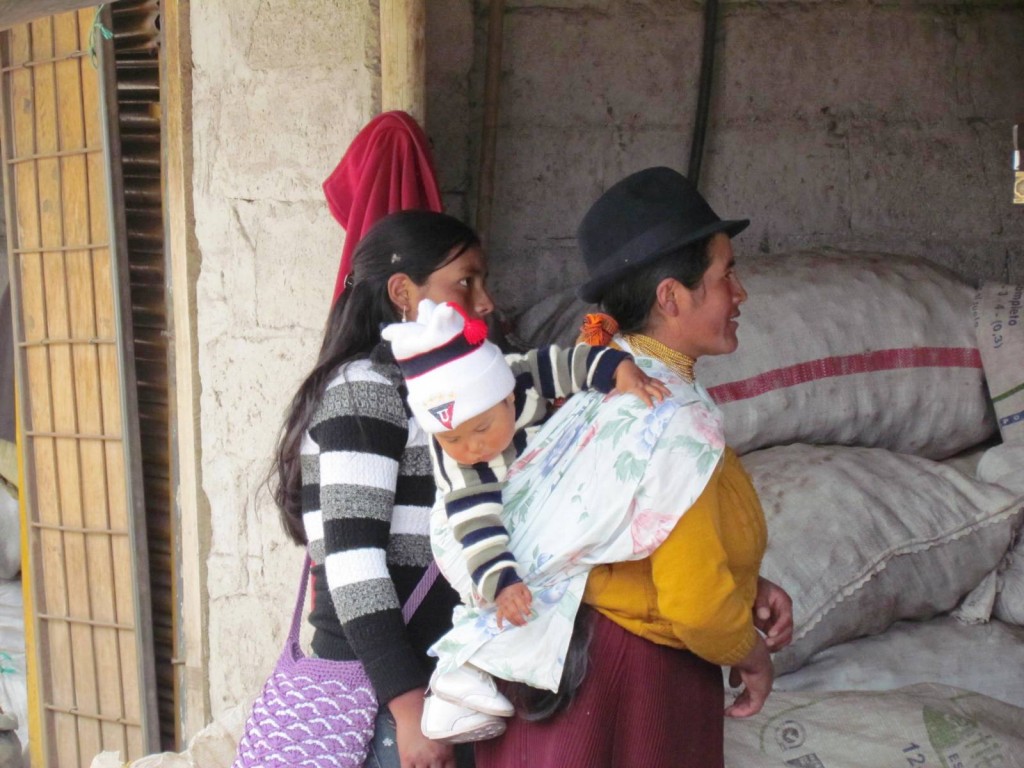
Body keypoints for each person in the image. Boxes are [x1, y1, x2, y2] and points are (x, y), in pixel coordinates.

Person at [474, 166, 794, 768]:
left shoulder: (597, 387)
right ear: (671, 296)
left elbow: (630, 538)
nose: (741, 293)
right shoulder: (671, 418)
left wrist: (746, 583)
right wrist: (751, 654)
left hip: (559, 674)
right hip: (631, 687)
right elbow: (696, 603)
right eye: (727, 275)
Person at [271, 209, 502, 768]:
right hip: (385, 703)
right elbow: (352, 567)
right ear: (403, 292)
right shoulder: (366, 392)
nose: (485, 302)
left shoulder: (438, 391)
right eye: (465, 283)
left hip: (431, 690)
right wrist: (407, 710)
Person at [380, 298, 667, 742]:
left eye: (481, 429)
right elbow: (478, 528)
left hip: (542, 482)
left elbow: (574, 364)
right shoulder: (463, 468)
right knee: (510, 603)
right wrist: (502, 581)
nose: (472, 447)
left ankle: (465, 680)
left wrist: (618, 371)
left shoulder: (521, 374)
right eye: (452, 438)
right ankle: (460, 673)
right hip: (481, 535)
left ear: (507, 395)